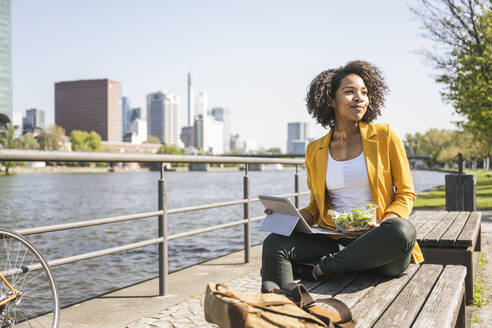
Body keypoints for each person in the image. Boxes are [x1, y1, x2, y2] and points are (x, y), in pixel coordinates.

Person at [261, 61, 424, 290]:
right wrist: (292, 217)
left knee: (402, 230)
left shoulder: (385, 136)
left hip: (380, 247)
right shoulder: (315, 150)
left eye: (364, 92)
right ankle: (281, 306)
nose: (360, 98)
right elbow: (317, 207)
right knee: (274, 243)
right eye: (349, 92)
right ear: (330, 100)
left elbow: (406, 193)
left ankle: (321, 269)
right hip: (336, 241)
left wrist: (383, 224)